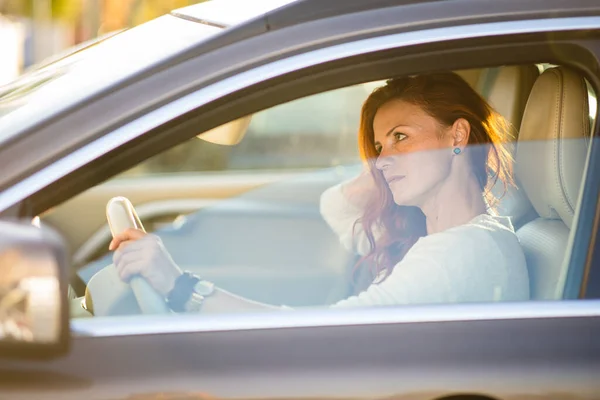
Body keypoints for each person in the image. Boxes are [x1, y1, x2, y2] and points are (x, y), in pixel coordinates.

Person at [108, 72, 530, 313]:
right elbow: (338, 207)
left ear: (458, 134)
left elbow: (317, 334)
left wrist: (180, 286)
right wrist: (387, 162)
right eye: (380, 145)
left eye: (402, 135)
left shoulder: (461, 254)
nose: (383, 159)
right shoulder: (439, 235)